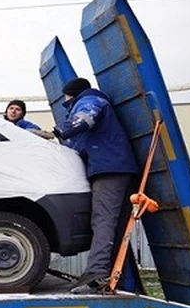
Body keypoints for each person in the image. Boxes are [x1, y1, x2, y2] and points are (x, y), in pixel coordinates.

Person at [53, 78, 139, 294]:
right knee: (113, 225)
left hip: (110, 170)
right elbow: (77, 145)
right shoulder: (94, 104)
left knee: (102, 221)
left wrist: (60, 130)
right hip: (112, 168)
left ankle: (97, 273)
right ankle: (116, 277)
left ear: (70, 94)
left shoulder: (90, 100)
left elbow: (84, 119)